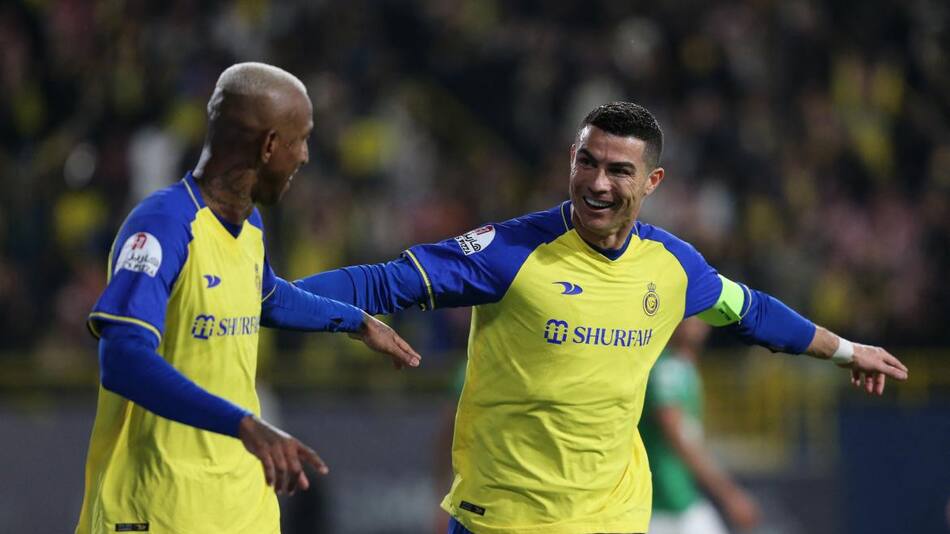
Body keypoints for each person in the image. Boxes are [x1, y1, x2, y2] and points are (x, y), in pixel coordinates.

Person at [295, 102, 909, 534]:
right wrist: (278, 301)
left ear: (653, 181)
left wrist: (847, 351)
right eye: (587, 162)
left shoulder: (674, 266)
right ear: (572, 158)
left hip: (615, 520)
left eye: (619, 170)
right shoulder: (510, 252)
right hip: (504, 521)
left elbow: (753, 313)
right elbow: (382, 281)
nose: (598, 183)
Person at [75, 62, 422, 534]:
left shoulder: (249, 226)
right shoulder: (162, 226)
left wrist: (357, 321)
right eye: (301, 140)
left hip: (241, 506)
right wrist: (242, 423)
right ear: (269, 145)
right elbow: (122, 359)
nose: (305, 156)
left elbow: (267, 297)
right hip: (156, 508)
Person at [640, 318, 759, 534]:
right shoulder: (666, 368)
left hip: (682, 497)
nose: (695, 321)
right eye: (689, 315)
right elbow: (677, 435)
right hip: (661, 504)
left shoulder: (684, 366)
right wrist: (728, 493)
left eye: (701, 315)